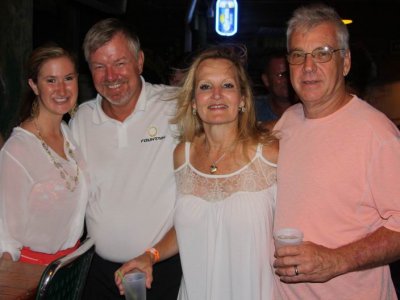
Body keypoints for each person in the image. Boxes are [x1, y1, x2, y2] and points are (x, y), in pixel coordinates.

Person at [115, 46, 279, 300]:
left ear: (243, 99)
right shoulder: (183, 155)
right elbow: (187, 227)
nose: (216, 95)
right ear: (193, 102)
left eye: (227, 85)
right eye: (204, 87)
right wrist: (150, 256)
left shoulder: (269, 153)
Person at [273, 4, 400, 299]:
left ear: (345, 63)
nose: (308, 67)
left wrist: (337, 259)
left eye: (323, 53)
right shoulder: (287, 122)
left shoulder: (377, 134)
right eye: (298, 55)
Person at [69, 18, 182, 299]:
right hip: (98, 272)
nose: (111, 76)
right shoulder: (81, 119)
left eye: (120, 62)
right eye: (99, 66)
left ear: (139, 62)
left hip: (162, 269)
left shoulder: (175, 105)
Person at [0, 45, 88, 265]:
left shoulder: (70, 134)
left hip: (69, 270)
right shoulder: (17, 151)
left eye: (68, 78)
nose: (62, 89)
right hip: (32, 274)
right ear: (34, 86)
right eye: (50, 80)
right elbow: (6, 237)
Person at [255, 49, 295, 124]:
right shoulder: (254, 111)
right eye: (280, 75)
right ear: (266, 80)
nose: (286, 79)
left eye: (289, 74)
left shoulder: (309, 109)